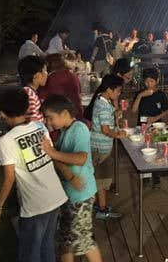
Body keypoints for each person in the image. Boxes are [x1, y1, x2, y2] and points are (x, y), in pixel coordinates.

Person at [0, 88, 67, 262]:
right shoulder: (40, 127)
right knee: (47, 247)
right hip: (55, 196)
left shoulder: (6, 142)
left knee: (30, 254)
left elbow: (9, 178)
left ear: (3, 113)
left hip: (35, 205)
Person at [40, 95, 102, 261]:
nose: (48, 122)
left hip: (81, 195)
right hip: (69, 193)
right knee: (64, 240)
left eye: (50, 117)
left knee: (84, 241)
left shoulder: (79, 129)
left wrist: (52, 152)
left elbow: (81, 158)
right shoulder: (65, 130)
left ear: (64, 114)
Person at [84, 75, 127, 219]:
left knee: (99, 177)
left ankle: (99, 205)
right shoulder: (103, 105)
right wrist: (118, 135)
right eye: (118, 90)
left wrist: (118, 111)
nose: (119, 94)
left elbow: (109, 117)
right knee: (102, 179)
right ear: (109, 89)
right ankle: (102, 210)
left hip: (99, 146)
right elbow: (105, 130)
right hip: (100, 148)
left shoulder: (102, 100)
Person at [39, 54, 83, 120]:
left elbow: (41, 97)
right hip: (77, 114)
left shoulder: (52, 78)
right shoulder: (73, 76)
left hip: (60, 116)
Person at [18, 55, 48, 123]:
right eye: (45, 71)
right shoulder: (29, 94)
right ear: (36, 75)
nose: (47, 74)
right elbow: (32, 122)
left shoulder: (30, 91)